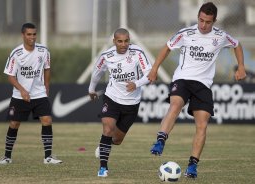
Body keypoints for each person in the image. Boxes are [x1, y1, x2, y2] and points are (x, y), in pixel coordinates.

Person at [148, 2, 246, 178]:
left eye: (208, 22)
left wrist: (241, 67)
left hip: (203, 84)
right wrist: (154, 69)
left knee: (202, 125)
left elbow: (237, 45)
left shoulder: (221, 36)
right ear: (198, 18)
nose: (203, 25)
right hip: (183, 79)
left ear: (214, 21)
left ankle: (192, 166)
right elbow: (167, 47)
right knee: (176, 104)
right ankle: (160, 140)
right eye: (201, 20)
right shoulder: (186, 33)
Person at [88, 28, 152, 177]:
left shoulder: (137, 52)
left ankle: (105, 144)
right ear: (114, 41)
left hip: (132, 103)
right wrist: (91, 89)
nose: (124, 44)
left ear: (129, 40)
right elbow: (97, 72)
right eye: (120, 41)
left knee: (116, 139)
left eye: (126, 41)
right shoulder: (107, 56)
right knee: (108, 129)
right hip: (112, 98)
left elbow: (150, 74)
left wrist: (136, 84)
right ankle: (103, 168)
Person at [0, 23, 62, 165]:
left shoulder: (43, 51)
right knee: (14, 124)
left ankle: (48, 157)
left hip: (39, 94)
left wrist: (46, 86)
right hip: (20, 95)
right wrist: (22, 90)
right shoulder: (16, 53)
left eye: (34, 34)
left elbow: (47, 68)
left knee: (47, 120)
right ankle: (7, 157)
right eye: (29, 34)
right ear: (23, 35)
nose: (32, 37)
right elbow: (10, 76)